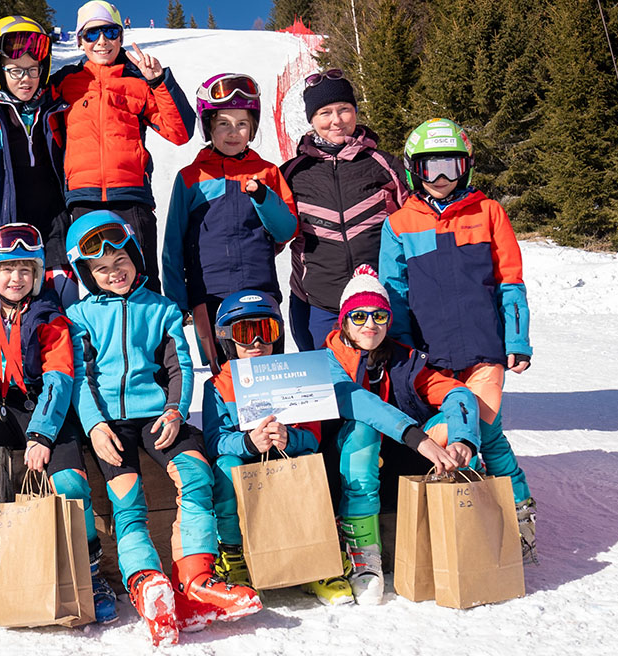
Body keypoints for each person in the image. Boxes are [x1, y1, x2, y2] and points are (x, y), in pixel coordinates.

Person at [64, 211, 261, 646]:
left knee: (197, 473)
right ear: (87, 274)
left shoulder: (162, 309)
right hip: (109, 424)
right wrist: (94, 426)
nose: (114, 273)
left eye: (120, 261)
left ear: (135, 258)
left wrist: (174, 410)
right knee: (127, 498)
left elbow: (180, 367)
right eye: (101, 268)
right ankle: (147, 583)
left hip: (157, 415)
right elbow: (79, 377)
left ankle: (196, 578)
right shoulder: (78, 316)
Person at [0, 223, 119, 624]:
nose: (15, 278)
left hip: (44, 412)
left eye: (25, 270)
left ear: (36, 274)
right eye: (6, 270)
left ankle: (91, 571)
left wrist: (42, 435)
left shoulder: (49, 318)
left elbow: (59, 379)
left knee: (70, 485)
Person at [379, 118, 538, 564]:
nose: (441, 177)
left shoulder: (488, 212)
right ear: (414, 171)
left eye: (450, 166)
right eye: (430, 168)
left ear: (465, 167)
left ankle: (518, 513)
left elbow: (510, 281)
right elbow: (395, 293)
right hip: (434, 356)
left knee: (482, 429)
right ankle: (474, 515)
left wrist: (517, 339)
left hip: (484, 349)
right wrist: (403, 353)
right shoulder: (399, 224)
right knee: (467, 433)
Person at [325, 264, 484, 604]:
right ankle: (363, 553)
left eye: (379, 316)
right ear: (344, 321)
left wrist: (463, 438)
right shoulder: (327, 359)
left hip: (396, 460)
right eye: (359, 316)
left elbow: (456, 393)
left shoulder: (403, 359)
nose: (370, 324)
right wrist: (416, 437)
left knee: (449, 427)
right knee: (364, 430)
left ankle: (463, 533)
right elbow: (357, 400)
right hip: (341, 463)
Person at [50, 0, 196, 292]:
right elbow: (21, 92)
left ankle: (154, 325)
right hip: (83, 199)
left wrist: (159, 81)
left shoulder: (137, 81)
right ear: (80, 40)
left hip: (131, 198)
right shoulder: (65, 81)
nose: (102, 41)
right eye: (91, 34)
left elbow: (179, 132)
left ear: (120, 36)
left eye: (110, 32)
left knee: (142, 282)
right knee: (98, 286)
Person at [163, 73, 297, 371]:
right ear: (209, 126)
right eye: (223, 123)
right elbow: (173, 244)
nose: (233, 132)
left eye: (242, 124)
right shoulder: (191, 177)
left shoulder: (267, 172)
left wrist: (262, 197)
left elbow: (286, 230)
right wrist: (177, 301)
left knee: (268, 370)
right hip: (209, 295)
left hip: (260, 289)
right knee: (223, 374)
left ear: (252, 128)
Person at [0, 16, 78, 307]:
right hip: (8, 228)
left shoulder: (55, 104)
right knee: (17, 308)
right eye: (15, 70)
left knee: (65, 306)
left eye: (33, 69)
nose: (26, 78)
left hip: (56, 228)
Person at [280, 70, 408, 351]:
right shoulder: (292, 173)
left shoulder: (384, 164)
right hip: (317, 303)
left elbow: (415, 225)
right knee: (323, 375)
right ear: (312, 119)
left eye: (344, 110)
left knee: (384, 376)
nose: (336, 120)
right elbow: (273, 235)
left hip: (379, 300)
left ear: (356, 112)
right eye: (325, 113)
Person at [201, 291, 321, 587]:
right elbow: (215, 440)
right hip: (245, 462)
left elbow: (313, 438)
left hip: (285, 457)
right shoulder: (218, 385)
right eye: (244, 333)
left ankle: (317, 556)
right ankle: (233, 554)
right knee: (226, 466)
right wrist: (247, 444)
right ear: (227, 339)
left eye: (266, 331)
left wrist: (290, 438)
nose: (256, 342)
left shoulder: (295, 376)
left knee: (308, 460)